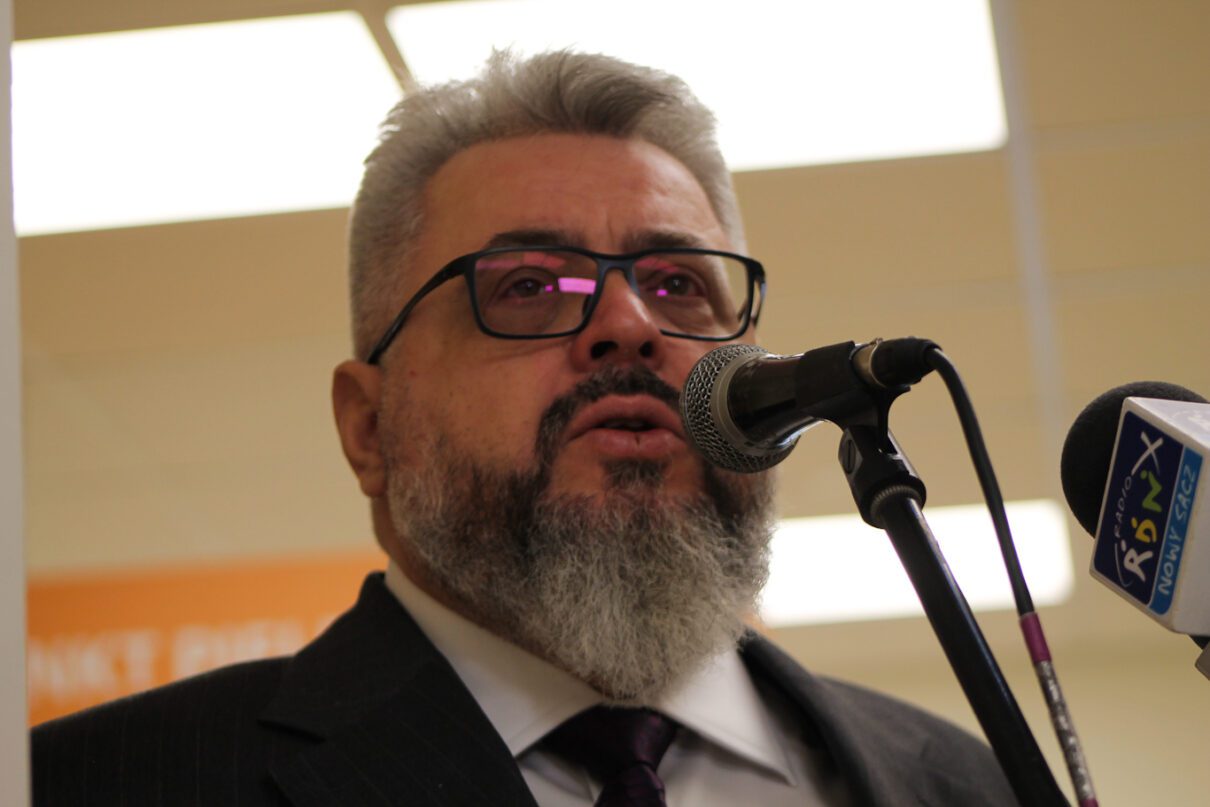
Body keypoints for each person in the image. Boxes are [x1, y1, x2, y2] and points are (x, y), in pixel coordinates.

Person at [31, 50, 1017, 806]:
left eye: (679, 283)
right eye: (530, 287)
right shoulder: (94, 784)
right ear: (368, 427)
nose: (628, 324)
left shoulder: (966, 785)